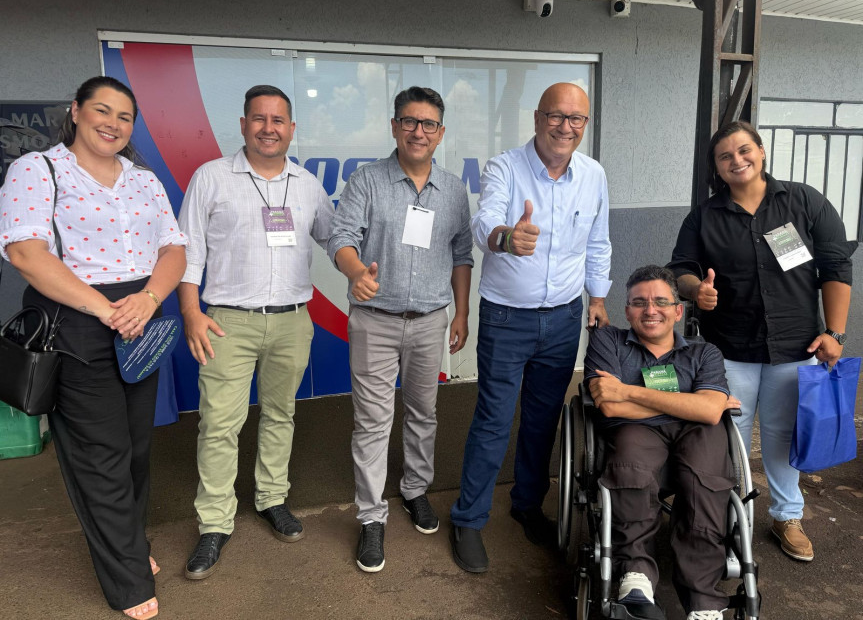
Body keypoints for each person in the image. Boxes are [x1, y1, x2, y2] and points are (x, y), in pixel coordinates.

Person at [0, 76, 187, 619]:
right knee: (98, 456)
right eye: (102, 110)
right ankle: (126, 582)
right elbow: (27, 253)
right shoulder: (39, 170)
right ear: (77, 112)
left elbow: (173, 247)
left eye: (125, 116)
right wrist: (106, 310)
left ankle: (130, 544)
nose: (113, 123)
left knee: (133, 448)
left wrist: (149, 299)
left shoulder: (142, 179)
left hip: (140, 317)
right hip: (78, 322)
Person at [669, 120, 856, 562]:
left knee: (782, 435)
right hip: (729, 349)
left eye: (743, 150)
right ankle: (729, 517)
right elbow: (680, 269)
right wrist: (697, 290)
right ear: (716, 166)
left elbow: (835, 267)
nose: (737, 160)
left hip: (796, 347)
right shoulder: (705, 216)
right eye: (725, 156)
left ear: (762, 150)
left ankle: (786, 515)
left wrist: (835, 332)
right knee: (725, 438)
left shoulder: (804, 201)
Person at [450, 82, 612, 573]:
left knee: (543, 421)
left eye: (576, 119)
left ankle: (527, 505)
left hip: (565, 318)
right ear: (538, 118)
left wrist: (598, 296)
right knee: (495, 419)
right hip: (506, 317)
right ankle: (469, 519)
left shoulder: (593, 175)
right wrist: (505, 237)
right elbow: (485, 225)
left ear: (585, 124)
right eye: (556, 116)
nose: (566, 127)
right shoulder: (505, 167)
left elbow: (598, 240)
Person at [177, 85, 334, 580]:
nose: (269, 128)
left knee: (280, 414)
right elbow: (189, 253)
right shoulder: (212, 178)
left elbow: (338, 239)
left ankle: (272, 499)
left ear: (292, 129)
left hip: (292, 320)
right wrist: (190, 313)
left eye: (279, 120)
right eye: (259, 118)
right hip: (227, 320)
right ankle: (215, 523)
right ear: (243, 124)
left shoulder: (308, 185)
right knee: (220, 424)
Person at [327, 86, 473, 573]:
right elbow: (342, 238)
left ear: (441, 133)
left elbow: (461, 254)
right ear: (394, 126)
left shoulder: (452, 189)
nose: (419, 131)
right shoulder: (367, 181)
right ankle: (371, 517)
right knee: (372, 420)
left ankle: (415, 490)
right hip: (376, 321)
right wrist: (355, 273)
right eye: (410, 121)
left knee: (423, 413)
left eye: (429, 124)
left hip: (432, 320)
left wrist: (462, 312)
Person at [585, 265, 739, 620]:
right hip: (637, 434)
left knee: (704, 481)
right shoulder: (608, 342)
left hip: (696, 435)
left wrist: (627, 391)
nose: (650, 310)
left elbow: (711, 415)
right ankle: (635, 577)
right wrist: (693, 405)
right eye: (639, 303)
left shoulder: (705, 353)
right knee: (632, 465)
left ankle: (703, 601)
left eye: (660, 302)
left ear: (677, 310)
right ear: (627, 311)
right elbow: (608, 406)